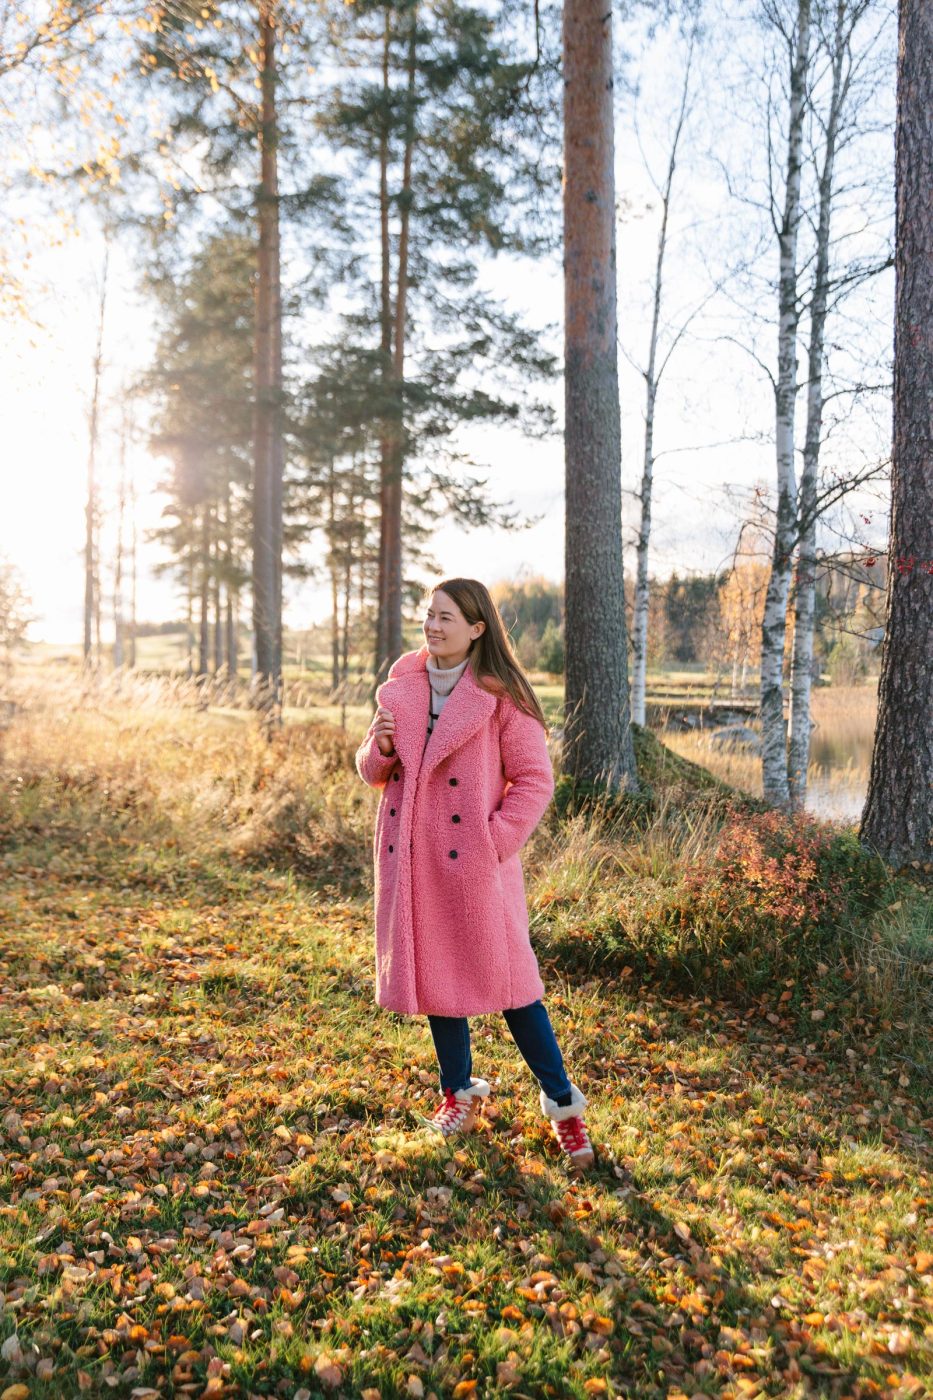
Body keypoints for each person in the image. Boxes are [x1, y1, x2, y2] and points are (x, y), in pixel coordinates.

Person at [355, 577, 595, 1171]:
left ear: (477, 628)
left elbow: (536, 780)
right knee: (440, 983)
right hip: (415, 859)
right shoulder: (402, 686)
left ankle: (565, 1108)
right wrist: (380, 748)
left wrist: (495, 841)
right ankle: (458, 1093)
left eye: (446, 618)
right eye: (428, 615)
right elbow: (371, 769)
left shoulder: (501, 696)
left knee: (516, 990)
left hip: (474, 864)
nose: (433, 626)